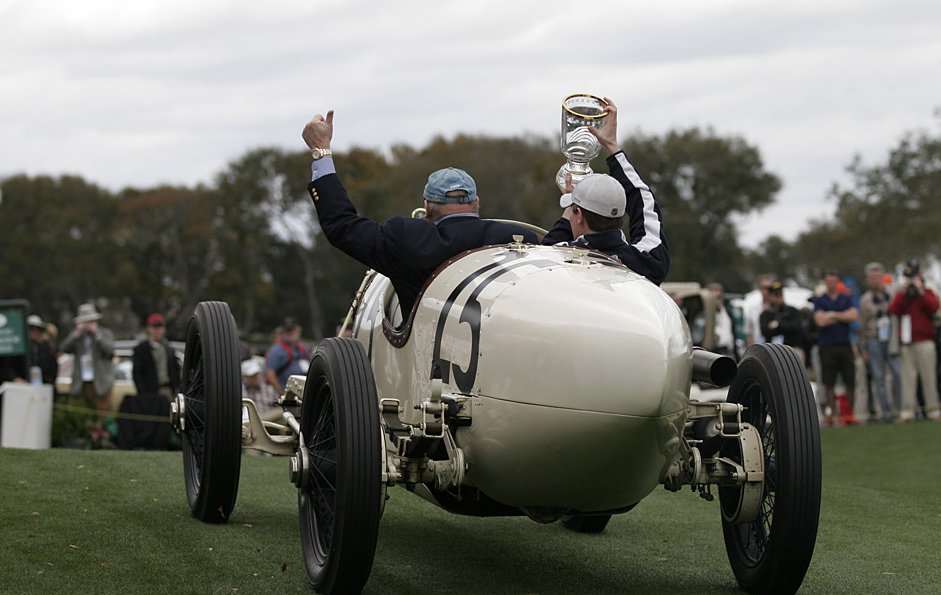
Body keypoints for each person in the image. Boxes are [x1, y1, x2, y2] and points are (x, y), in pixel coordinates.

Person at [302, 110, 539, 327]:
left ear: (427, 207)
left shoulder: (407, 239)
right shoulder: (521, 239)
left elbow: (342, 225)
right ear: (476, 203)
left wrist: (321, 151)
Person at [542, 97, 670, 285]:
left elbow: (548, 246)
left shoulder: (552, 258)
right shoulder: (649, 262)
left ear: (579, 216)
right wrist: (612, 146)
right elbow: (643, 200)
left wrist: (570, 203)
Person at [889, 260, 941, 421]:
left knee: (928, 377)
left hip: (925, 340)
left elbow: (934, 307)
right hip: (907, 342)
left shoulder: (928, 290)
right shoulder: (901, 293)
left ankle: (934, 411)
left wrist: (919, 291)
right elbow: (893, 310)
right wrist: (905, 292)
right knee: (907, 379)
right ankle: (907, 412)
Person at [813, 270, 859, 426]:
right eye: (828, 281)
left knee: (850, 380)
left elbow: (853, 315)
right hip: (827, 346)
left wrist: (832, 315)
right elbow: (820, 321)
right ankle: (833, 414)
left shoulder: (845, 298)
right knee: (829, 381)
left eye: (833, 281)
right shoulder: (819, 300)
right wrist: (841, 316)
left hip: (844, 344)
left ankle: (848, 413)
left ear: (837, 282)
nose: (830, 284)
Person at [857, 263, 901, 423]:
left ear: (883, 277)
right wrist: (863, 348)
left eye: (878, 277)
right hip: (873, 339)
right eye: (872, 277)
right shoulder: (865, 300)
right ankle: (886, 413)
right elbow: (861, 326)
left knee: (898, 374)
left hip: (891, 339)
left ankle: (902, 410)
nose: (875, 280)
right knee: (879, 378)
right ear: (868, 280)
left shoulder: (893, 293)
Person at [60, 302, 115, 413]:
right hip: (81, 382)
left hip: (100, 383)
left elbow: (110, 351)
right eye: (85, 321)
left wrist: (97, 334)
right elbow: (64, 348)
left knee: (101, 415)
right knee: (81, 414)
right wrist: (76, 333)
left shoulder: (105, 334)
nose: (88, 324)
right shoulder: (77, 337)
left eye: (90, 321)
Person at [132, 313, 180, 399]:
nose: (158, 330)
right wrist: (143, 393)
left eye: (161, 327)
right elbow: (137, 374)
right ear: (148, 329)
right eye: (155, 327)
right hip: (150, 393)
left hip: (168, 390)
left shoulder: (168, 348)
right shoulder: (141, 349)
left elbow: (175, 370)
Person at [760, 281, 807, 362]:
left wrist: (778, 325)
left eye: (780, 294)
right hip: (773, 350)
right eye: (775, 295)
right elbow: (766, 332)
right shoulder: (766, 314)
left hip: (792, 348)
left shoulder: (792, 311)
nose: (778, 298)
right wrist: (785, 326)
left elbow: (796, 327)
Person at [265, 318, 311, 396]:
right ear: (283, 332)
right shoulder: (276, 350)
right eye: (288, 331)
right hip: (289, 392)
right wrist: (281, 393)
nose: (290, 333)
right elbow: (270, 373)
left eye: (292, 330)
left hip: (305, 390)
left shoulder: (303, 347)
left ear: (297, 330)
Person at [242, 358, 282, 423]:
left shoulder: (269, 390)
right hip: (247, 423)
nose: (256, 377)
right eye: (252, 376)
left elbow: (279, 408)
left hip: (268, 422)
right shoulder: (240, 392)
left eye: (257, 374)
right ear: (245, 377)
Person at [743, 274, 776, 349]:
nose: (768, 291)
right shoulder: (753, 309)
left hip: (776, 350)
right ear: (760, 289)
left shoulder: (779, 309)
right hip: (758, 349)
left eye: (770, 288)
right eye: (765, 288)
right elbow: (749, 333)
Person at [707, 282, 737, 358]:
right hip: (712, 354)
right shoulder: (704, 315)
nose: (717, 301)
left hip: (728, 352)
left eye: (719, 297)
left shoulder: (727, 312)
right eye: (715, 298)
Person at [26, 315, 58, 385]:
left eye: (38, 329)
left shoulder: (45, 349)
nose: (35, 332)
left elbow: (52, 369)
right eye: (32, 329)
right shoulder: (22, 350)